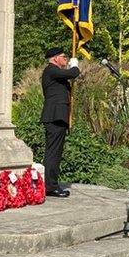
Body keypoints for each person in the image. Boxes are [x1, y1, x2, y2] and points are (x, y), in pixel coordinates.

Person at [40, 47, 80, 198]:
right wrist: (74, 66)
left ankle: (50, 184)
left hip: (58, 116)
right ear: (55, 59)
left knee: (54, 153)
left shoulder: (55, 72)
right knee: (52, 153)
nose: (66, 59)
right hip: (54, 116)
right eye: (64, 57)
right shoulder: (51, 70)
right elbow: (73, 74)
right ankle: (50, 186)